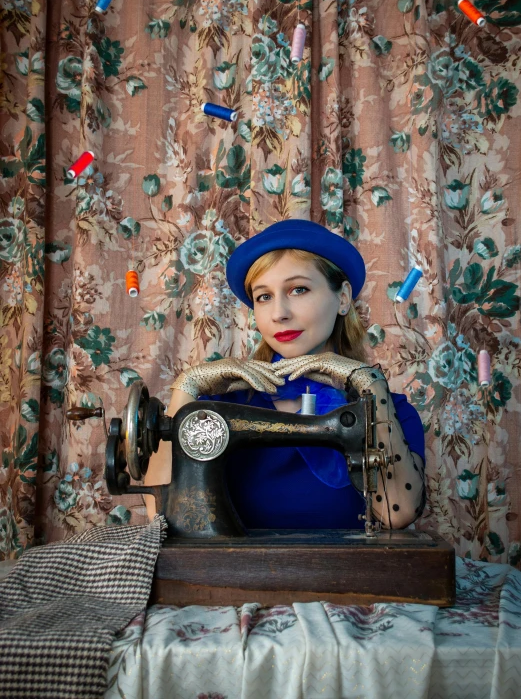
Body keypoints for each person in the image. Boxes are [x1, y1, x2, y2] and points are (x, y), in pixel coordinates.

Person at [144, 219, 425, 530]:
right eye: (263, 297)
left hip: (349, 578)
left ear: (343, 298)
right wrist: (186, 390)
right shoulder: (214, 409)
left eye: (298, 289)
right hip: (235, 577)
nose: (279, 313)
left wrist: (369, 385)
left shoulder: (393, 412)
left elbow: (398, 514)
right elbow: (161, 517)